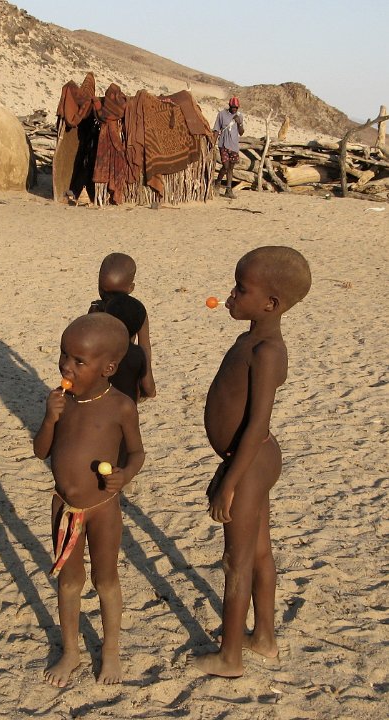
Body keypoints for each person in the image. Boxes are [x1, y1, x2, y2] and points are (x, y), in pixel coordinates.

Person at [192, 246, 312, 677]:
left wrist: (229, 482)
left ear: (270, 304)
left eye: (241, 289)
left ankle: (230, 658)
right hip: (250, 459)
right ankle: (263, 638)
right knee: (260, 552)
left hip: (251, 461)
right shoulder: (252, 340)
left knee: (236, 561)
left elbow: (258, 424)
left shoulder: (268, 352)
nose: (230, 295)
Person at [33, 313, 145, 687]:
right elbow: (41, 451)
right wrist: (49, 419)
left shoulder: (120, 406)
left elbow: (137, 453)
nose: (67, 366)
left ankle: (110, 651)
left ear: (107, 368)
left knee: (105, 579)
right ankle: (70, 651)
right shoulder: (61, 401)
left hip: (102, 509)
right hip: (63, 506)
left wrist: (124, 476)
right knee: (69, 581)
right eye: (64, 354)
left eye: (79, 361)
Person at [88, 252, 156, 396]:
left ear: (131, 288)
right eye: (102, 291)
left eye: (114, 294)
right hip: (101, 372)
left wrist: (147, 380)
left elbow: (144, 346)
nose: (108, 298)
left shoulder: (136, 311)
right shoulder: (97, 309)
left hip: (126, 371)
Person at [105, 294, 156, 403]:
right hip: (127, 409)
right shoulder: (137, 354)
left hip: (101, 407)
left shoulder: (100, 351)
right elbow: (150, 390)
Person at [213, 96, 244, 199]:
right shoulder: (221, 114)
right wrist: (213, 143)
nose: (234, 109)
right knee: (225, 166)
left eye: (236, 107)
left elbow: (241, 132)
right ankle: (218, 182)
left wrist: (239, 123)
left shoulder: (239, 116)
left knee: (230, 168)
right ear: (229, 106)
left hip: (234, 145)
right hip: (223, 144)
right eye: (233, 107)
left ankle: (228, 190)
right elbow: (216, 129)